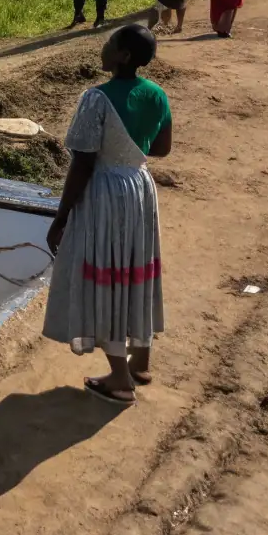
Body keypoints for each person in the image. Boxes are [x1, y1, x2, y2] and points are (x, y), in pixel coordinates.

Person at [43, 24, 171, 406]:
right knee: (135, 269)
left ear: (123, 57)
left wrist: (61, 216)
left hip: (106, 193)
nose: (104, 46)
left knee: (109, 276)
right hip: (139, 187)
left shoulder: (96, 99)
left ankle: (118, 380)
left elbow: (82, 163)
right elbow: (161, 148)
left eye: (111, 43)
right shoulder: (156, 94)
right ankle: (140, 360)